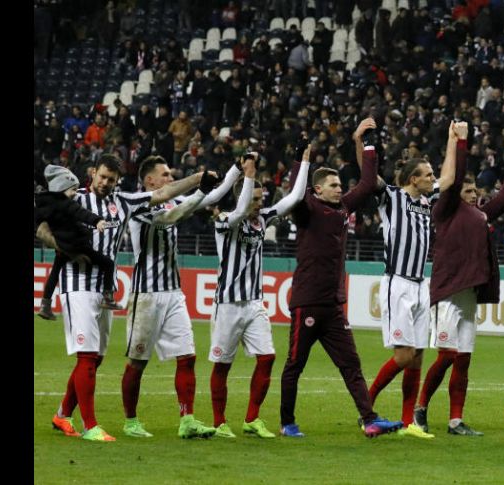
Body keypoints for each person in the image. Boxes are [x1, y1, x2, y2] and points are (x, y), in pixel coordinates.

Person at [36, 154, 205, 442]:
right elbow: (40, 226)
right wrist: (61, 245)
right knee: (87, 356)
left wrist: (198, 179)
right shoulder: (71, 198)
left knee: (95, 359)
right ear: (93, 173)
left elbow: (163, 193)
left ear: (117, 181)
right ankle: (90, 426)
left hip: (104, 289)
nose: (105, 183)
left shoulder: (123, 202)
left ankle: (62, 414)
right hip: (77, 284)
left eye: (111, 179)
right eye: (102, 177)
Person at [279, 118, 403, 438]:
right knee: (295, 365)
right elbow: (295, 192)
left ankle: (370, 418)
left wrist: (365, 141)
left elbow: (367, 181)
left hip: (333, 306)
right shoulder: (306, 209)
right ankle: (287, 422)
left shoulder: (343, 208)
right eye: (333, 185)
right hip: (307, 303)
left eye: (339, 185)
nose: (339, 189)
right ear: (318, 189)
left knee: (351, 364)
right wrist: (300, 160)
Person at [414, 128, 504, 436]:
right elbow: (457, 174)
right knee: (448, 355)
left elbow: (503, 199)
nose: (474, 194)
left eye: (476, 191)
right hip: (448, 292)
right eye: (468, 191)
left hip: (469, 294)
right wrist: (461, 143)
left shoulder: (479, 213)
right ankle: (420, 408)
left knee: (463, 360)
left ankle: (455, 420)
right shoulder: (446, 209)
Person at [208, 143, 311, 439]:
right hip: (227, 303)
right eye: (254, 197)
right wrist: (248, 172)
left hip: (254, 303)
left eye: (260, 197)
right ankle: (219, 421)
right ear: (241, 195)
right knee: (223, 365)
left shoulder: (263, 218)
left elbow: (295, 197)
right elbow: (240, 209)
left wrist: (302, 161)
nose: (258, 202)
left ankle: (252, 419)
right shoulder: (224, 221)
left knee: (267, 357)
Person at [120, 155, 226, 439]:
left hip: (173, 293)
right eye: (165, 174)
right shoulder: (138, 202)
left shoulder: (172, 200)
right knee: (137, 362)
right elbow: (173, 216)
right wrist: (199, 185)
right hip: (146, 295)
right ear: (150, 180)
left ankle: (187, 419)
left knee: (187, 357)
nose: (170, 178)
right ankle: (130, 421)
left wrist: (240, 171)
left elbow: (208, 197)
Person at [366, 121, 457, 439]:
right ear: (413, 179)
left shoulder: (426, 201)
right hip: (398, 283)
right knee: (403, 355)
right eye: (427, 175)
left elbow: (449, 178)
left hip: (421, 284)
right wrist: (362, 143)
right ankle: (367, 406)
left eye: (432, 174)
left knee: (417, 356)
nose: (433, 179)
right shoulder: (391, 197)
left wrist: (451, 140)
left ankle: (408, 423)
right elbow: (369, 178)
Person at [35, 165, 122, 321]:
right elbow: (80, 213)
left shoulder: (43, 203)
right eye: (73, 189)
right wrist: (97, 221)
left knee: (54, 273)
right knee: (108, 264)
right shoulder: (64, 202)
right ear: (62, 187)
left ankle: (45, 305)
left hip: (61, 246)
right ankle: (108, 298)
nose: (75, 193)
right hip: (75, 244)